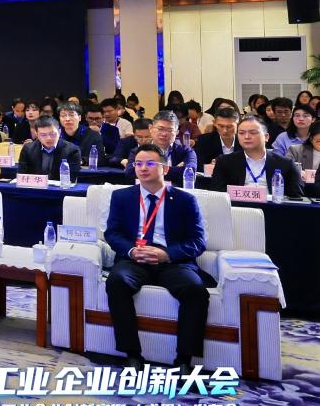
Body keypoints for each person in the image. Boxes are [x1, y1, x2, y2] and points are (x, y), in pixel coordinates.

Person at [103, 143, 209, 373]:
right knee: (116, 282)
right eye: (138, 164)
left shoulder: (184, 200)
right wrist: (131, 250)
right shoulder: (121, 197)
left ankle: (184, 360)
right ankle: (132, 355)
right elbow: (112, 233)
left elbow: (198, 241)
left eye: (150, 163)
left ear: (166, 168)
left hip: (172, 261)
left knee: (195, 290)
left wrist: (167, 254)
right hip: (135, 258)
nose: (143, 168)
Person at [210, 116, 304, 199]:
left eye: (253, 132)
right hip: (237, 208)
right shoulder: (225, 162)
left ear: (266, 137)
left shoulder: (286, 164)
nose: (246, 137)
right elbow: (217, 194)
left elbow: (296, 197)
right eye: (241, 133)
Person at [125, 112, 198, 185]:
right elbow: (130, 172)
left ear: (177, 132)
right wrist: (172, 169)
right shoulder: (138, 151)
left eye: (170, 130)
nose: (164, 134)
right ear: (151, 128)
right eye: (160, 129)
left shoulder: (186, 151)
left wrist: (148, 169)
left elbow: (190, 172)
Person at [17, 117, 82, 181]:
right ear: (37, 134)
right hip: (34, 186)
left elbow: (72, 178)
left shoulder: (72, 150)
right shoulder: (28, 149)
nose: (48, 138)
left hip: (60, 187)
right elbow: (22, 175)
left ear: (59, 132)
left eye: (52, 134)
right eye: (43, 135)